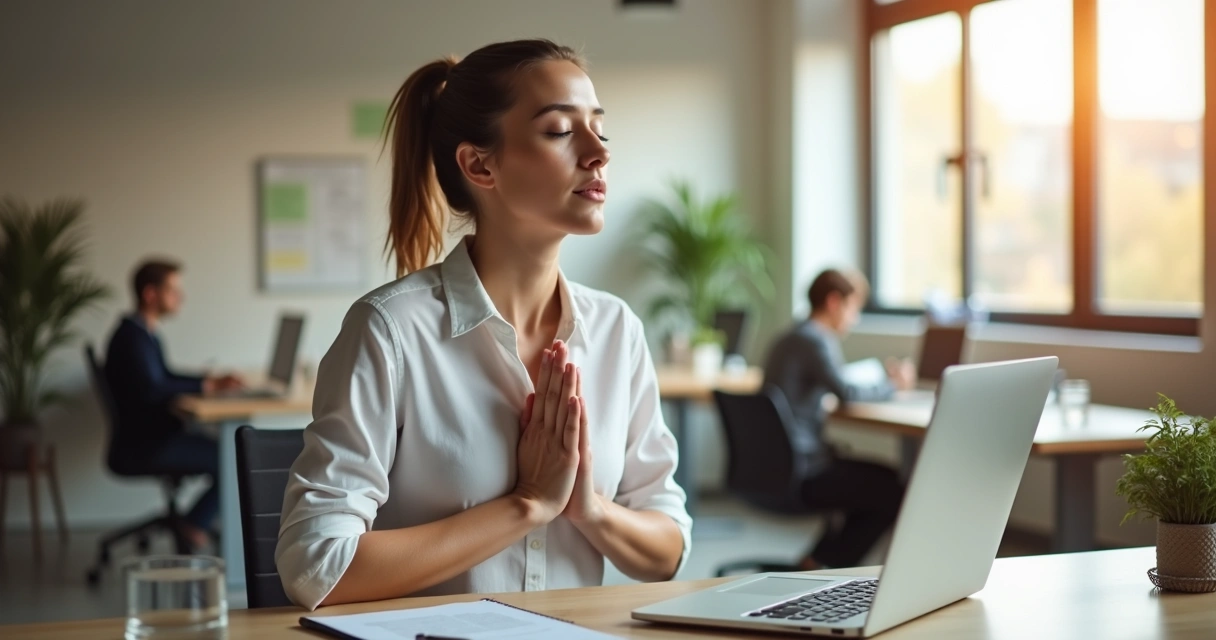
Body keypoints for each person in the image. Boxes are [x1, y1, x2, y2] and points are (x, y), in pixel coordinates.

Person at [275, 39, 691, 610]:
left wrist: (590, 509)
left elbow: (669, 549)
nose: (598, 153)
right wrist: (527, 504)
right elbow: (315, 566)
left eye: (600, 129)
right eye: (560, 131)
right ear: (479, 165)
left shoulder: (618, 329)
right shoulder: (390, 331)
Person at [763, 268, 914, 570]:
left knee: (873, 482)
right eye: (853, 308)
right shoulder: (815, 339)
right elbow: (847, 392)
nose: (854, 319)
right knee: (894, 489)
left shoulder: (790, 336)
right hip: (803, 469)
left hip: (775, 465)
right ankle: (824, 565)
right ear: (834, 302)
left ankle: (816, 561)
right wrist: (893, 385)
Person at [104, 260, 243, 550]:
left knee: (226, 448)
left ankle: (195, 522)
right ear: (150, 294)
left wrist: (206, 381)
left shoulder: (142, 332)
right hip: (146, 445)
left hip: (150, 436)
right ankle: (195, 523)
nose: (181, 297)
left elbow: (164, 376)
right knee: (233, 457)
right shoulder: (132, 339)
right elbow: (153, 388)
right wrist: (206, 387)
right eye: (173, 290)